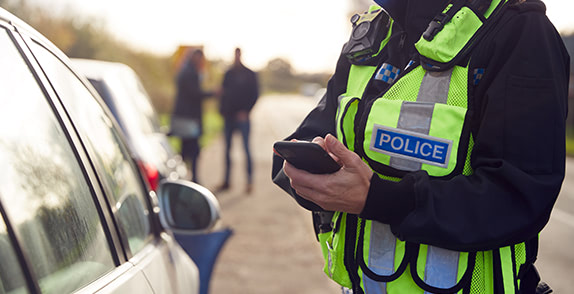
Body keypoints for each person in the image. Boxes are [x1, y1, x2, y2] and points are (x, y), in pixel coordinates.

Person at [272, 0, 569, 293]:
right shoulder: (372, 30)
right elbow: (310, 136)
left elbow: (518, 198)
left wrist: (377, 198)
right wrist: (309, 174)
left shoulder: (519, 30)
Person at [218, 47, 259, 193]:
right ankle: (227, 181)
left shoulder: (250, 74)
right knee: (227, 150)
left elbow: (255, 95)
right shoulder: (228, 73)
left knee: (246, 149)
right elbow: (222, 92)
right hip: (229, 117)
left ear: (241, 55)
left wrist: (246, 111)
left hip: (243, 118)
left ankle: (249, 182)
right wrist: (222, 111)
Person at [171, 49, 211, 183]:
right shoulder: (190, 73)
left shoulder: (187, 70)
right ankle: (190, 179)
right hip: (189, 119)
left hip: (186, 118)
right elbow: (195, 94)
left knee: (187, 149)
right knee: (191, 150)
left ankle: (185, 178)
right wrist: (213, 93)